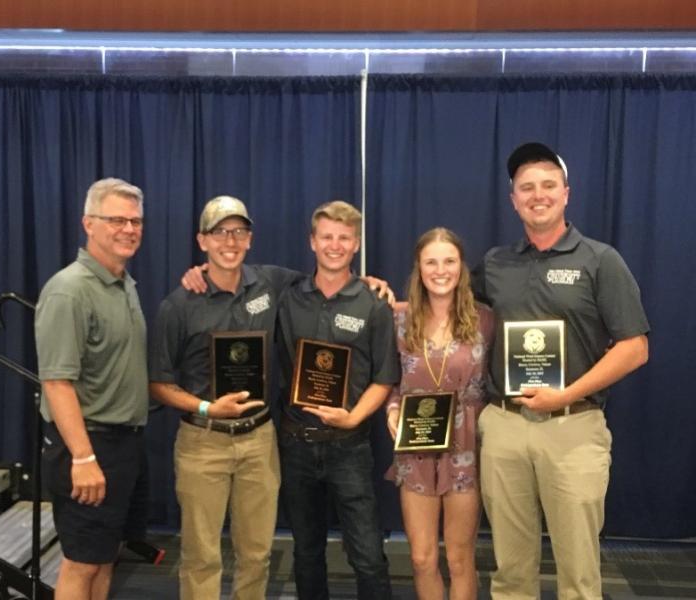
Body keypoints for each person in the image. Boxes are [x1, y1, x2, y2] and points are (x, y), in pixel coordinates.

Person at [473, 142, 650, 600]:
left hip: (573, 426)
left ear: (566, 193)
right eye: (526, 187)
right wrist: (386, 298)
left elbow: (634, 347)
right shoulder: (495, 263)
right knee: (511, 569)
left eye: (548, 185)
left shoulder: (600, 260)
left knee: (578, 572)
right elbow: (444, 305)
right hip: (505, 426)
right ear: (513, 200)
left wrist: (565, 393)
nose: (538, 195)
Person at [148, 196, 301, 600]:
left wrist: (372, 284)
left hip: (259, 440)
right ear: (202, 241)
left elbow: (328, 285)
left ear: (250, 239)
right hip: (203, 441)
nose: (229, 241)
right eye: (219, 232)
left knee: (257, 553)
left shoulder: (271, 282)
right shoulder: (178, 305)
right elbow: (158, 383)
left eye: (238, 232)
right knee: (202, 556)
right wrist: (206, 407)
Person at [277, 200, 400, 600]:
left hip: (350, 446)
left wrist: (352, 419)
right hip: (297, 443)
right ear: (312, 241)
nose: (335, 245)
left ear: (356, 244)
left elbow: (385, 377)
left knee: (366, 554)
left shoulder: (374, 303)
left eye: (344, 238)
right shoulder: (287, 296)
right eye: (326, 236)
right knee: (306, 551)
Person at [35, 178, 149, 600]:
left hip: (122, 446)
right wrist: (83, 457)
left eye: (135, 221)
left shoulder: (123, 284)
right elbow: (56, 381)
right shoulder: (69, 290)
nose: (128, 229)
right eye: (116, 219)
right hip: (88, 446)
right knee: (80, 563)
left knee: (104, 556)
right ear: (88, 223)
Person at [385, 227, 493, 600]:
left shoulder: (486, 321)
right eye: (431, 262)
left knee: (461, 558)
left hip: (466, 451)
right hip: (415, 447)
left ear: (462, 267)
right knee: (421, 558)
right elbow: (392, 383)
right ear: (419, 267)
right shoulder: (400, 321)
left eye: (449, 261)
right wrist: (392, 410)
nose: (440, 270)